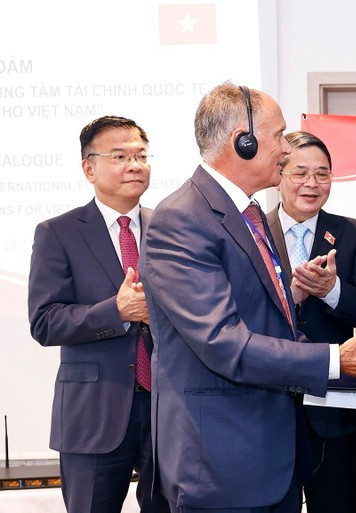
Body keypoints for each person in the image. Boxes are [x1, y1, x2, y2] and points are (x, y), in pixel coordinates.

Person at [140, 82, 356, 513]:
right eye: (280, 135)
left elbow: (271, 326)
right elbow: (224, 343)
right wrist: (336, 359)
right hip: (221, 461)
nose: (287, 149)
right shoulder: (182, 219)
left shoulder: (245, 214)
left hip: (270, 456)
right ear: (243, 142)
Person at [28, 116, 169, 513]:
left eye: (141, 156)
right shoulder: (58, 232)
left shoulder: (171, 228)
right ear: (89, 168)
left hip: (167, 409)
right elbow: (45, 321)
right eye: (119, 156)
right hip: (93, 413)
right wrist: (117, 311)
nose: (134, 165)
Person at [266, 131, 356, 513]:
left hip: (334, 406)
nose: (311, 183)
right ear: (278, 175)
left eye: (322, 173)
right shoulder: (250, 232)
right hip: (267, 403)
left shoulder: (355, 234)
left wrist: (332, 291)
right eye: (300, 172)